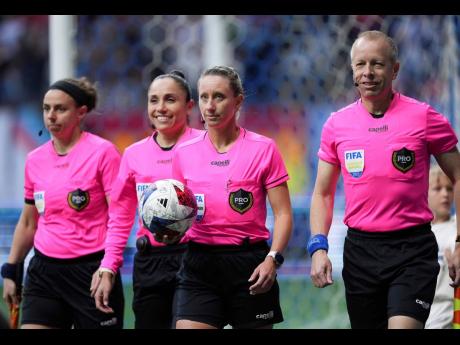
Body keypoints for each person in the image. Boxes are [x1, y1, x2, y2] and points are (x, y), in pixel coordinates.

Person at [308, 30, 460, 329]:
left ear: (395, 69)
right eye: (360, 64)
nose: (368, 72)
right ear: (351, 69)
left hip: (412, 250)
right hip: (360, 252)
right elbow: (323, 193)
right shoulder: (336, 125)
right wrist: (319, 247)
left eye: (377, 64)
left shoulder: (424, 117)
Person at [171, 65, 293, 329]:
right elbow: (179, 213)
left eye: (219, 96)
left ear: (238, 101)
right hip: (199, 266)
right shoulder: (184, 153)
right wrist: (169, 230)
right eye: (204, 97)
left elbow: (283, 213)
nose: (210, 106)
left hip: (250, 265)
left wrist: (273, 259)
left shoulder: (264, 149)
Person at [1, 77, 124, 329]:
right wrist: (12, 269)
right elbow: (28, 222)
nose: (51, 116)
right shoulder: (35, 159)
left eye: (60, 109)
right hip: (44, 273)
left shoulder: (104, 153)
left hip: (92, 272)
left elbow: (119, 218)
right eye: (46, 109)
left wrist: (108, 268)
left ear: (80, 113)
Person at [91, 70, 202, 329]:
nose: (160, 108)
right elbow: (120, 217)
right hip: (150, 262)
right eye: (154, 100)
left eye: (170, 100)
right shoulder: (133, 154)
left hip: (197, 259)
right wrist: (108, 267)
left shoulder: (205, 146)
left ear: (189, 106)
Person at [425, 164, 457, 328]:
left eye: (449, 189)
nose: (445, 194)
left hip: (446, 312)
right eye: (438, 188)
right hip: (415, 310)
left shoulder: (456, 227)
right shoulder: (416, 232)